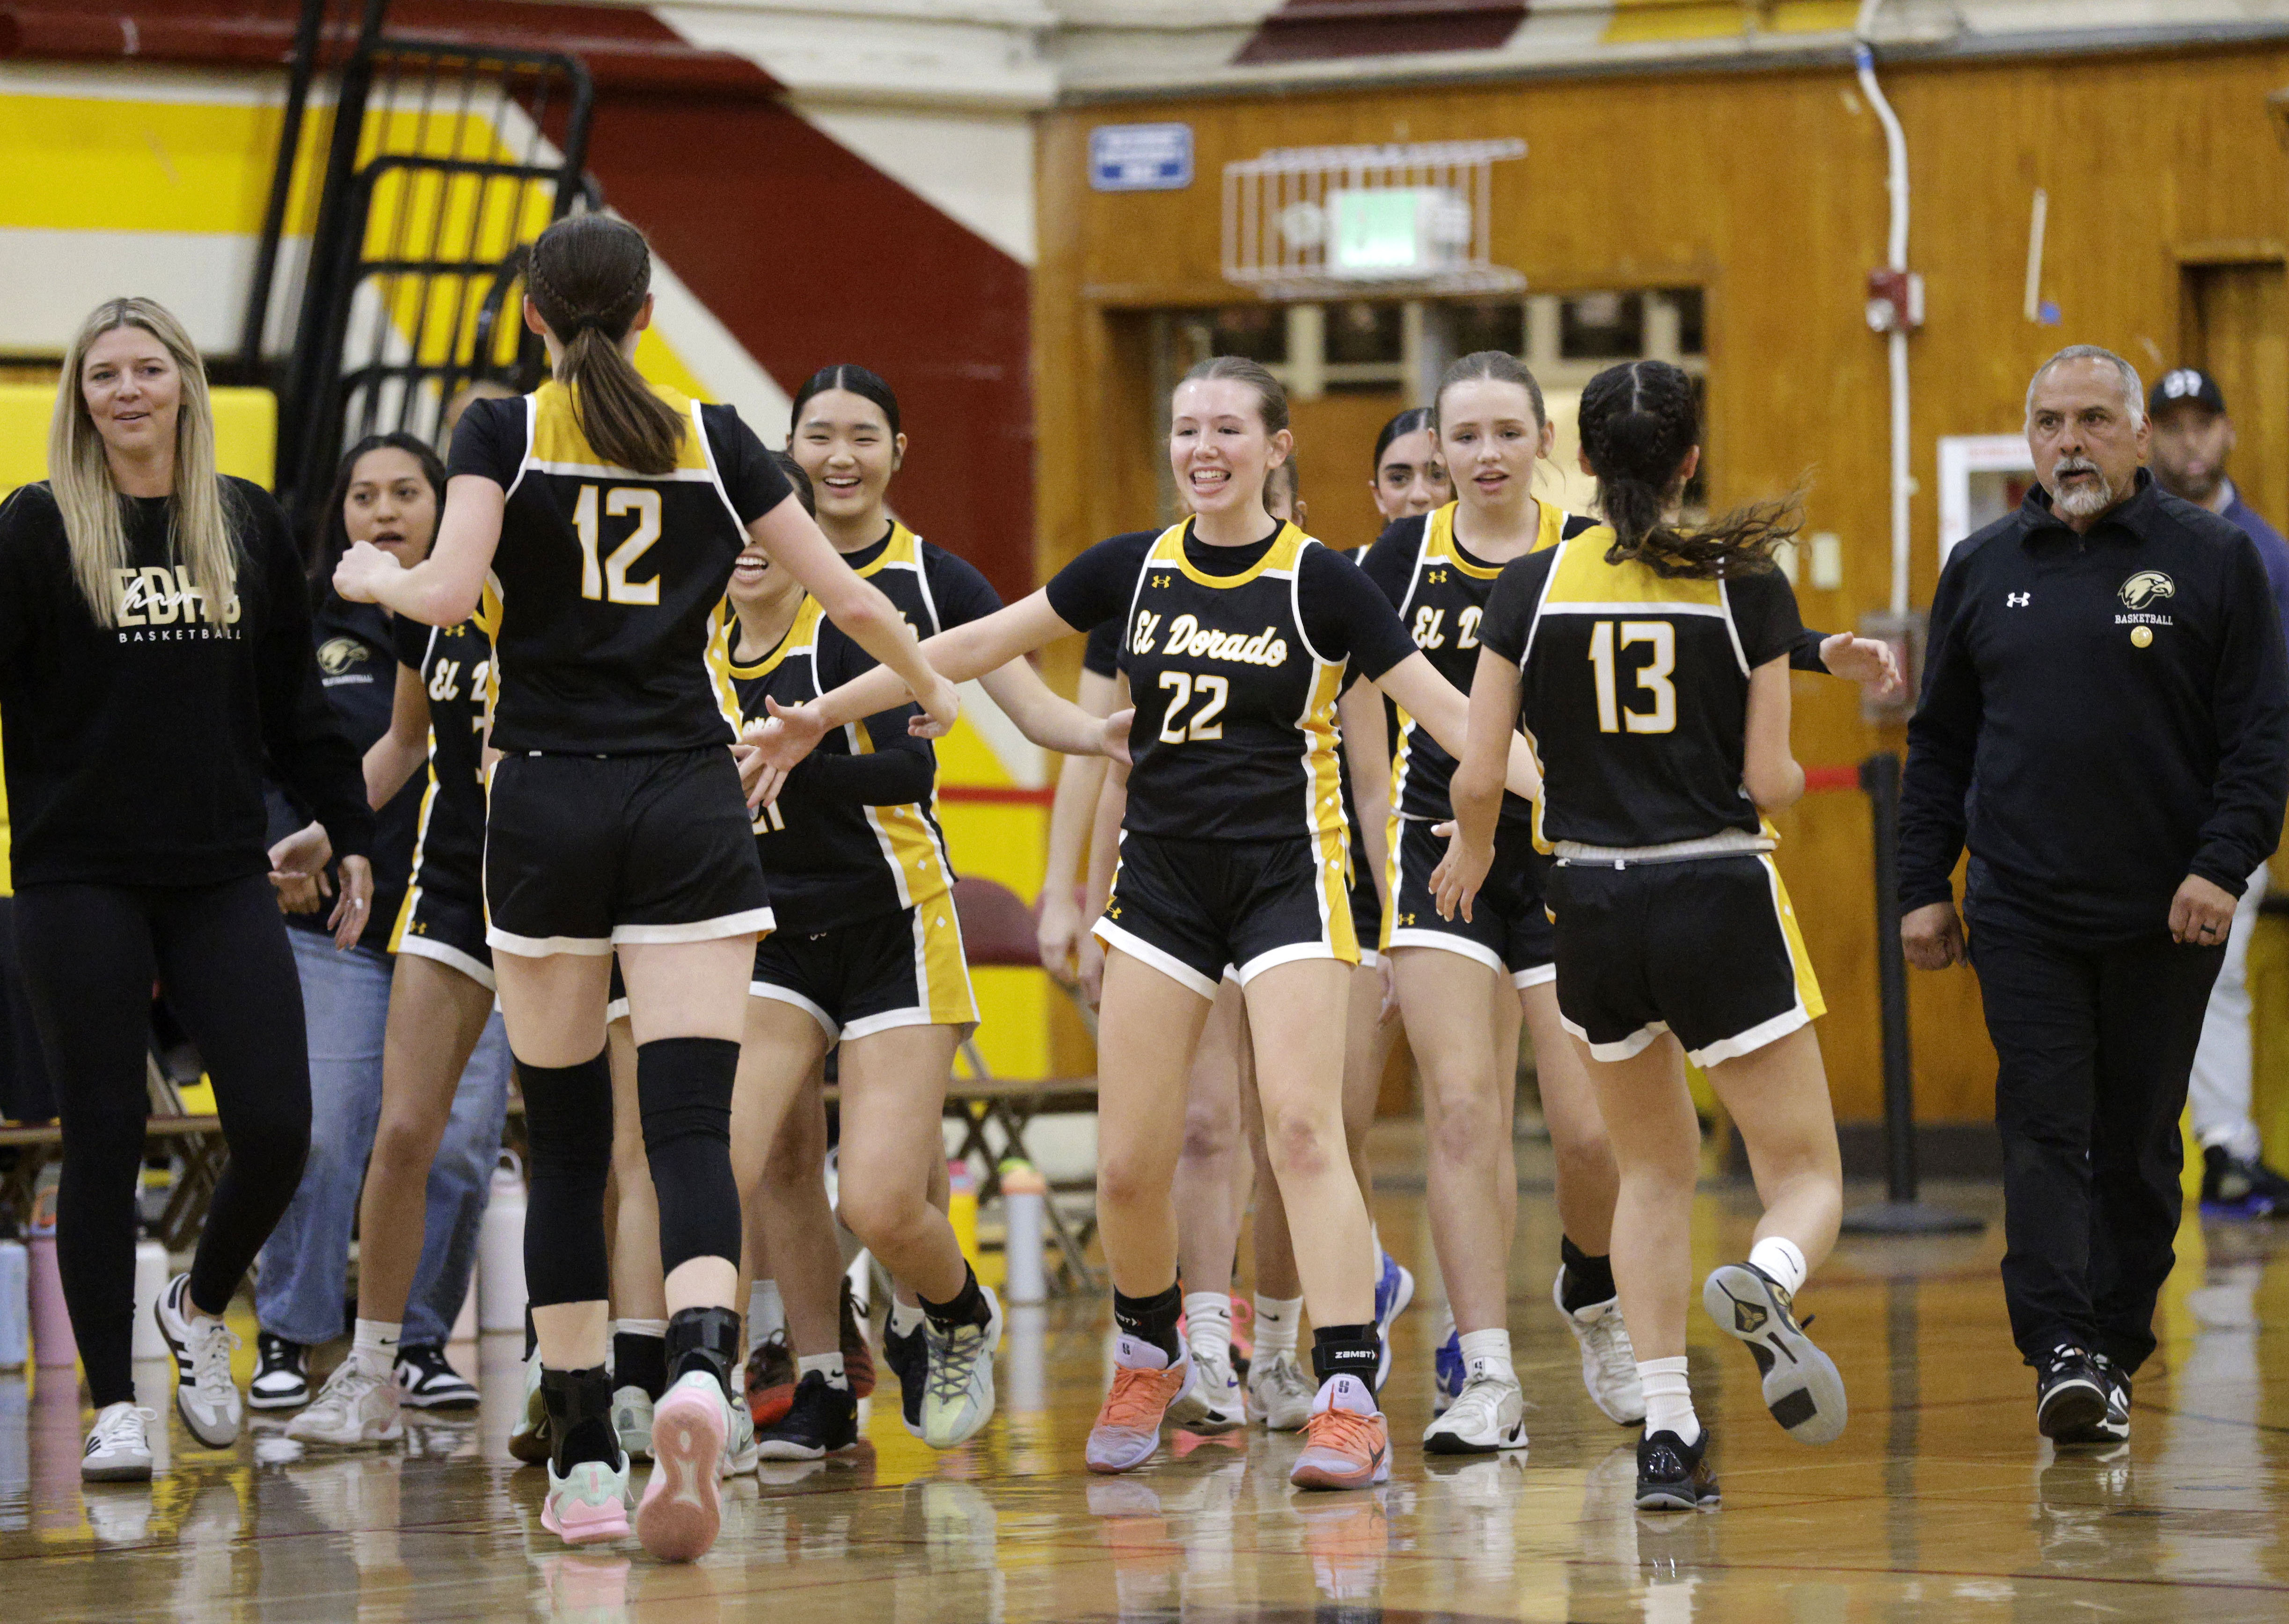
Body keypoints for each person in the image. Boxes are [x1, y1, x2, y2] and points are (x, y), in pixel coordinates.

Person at [745, 356, 1543, 1490]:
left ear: (1275, 448)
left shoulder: (1326, 582)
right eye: (1185, 429)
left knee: (1303, 1131)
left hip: (1289, 881)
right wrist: (817, 717)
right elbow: (966, 649)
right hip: (1161, 884)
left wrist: (1561, 786)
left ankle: (1346, 1386)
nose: (1202, 447)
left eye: (1228, 428)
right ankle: (1146, 1351)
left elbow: (1453, 714)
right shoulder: (1129, 569)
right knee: (1129, 1163)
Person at [333, 214, 953, 1560]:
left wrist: (370, 570)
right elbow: (848, 596)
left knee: (562, 1140)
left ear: (533, 314)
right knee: (685, 1124)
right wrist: (930, 681)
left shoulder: (504, 427)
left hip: (548, 797)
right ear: (652, 305)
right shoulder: (716, 430)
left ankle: (583, 1456)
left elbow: (443, 595)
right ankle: (698, 1361)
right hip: (689, 799)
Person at [1440, 355, 1850, 1513]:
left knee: (1653, 1171)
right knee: (1807, 1173)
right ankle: (1767, 1280)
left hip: (1593, 908)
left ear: (1579, 458)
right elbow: (1771, 779)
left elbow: (1479, 772)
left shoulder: (1527, 584)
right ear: (1689, 460)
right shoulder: (1748, 583)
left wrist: (1472, 854)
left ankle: (1665, 1429)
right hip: (1714, 891)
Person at [0, 297, 375, 1482]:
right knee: (102, 1130)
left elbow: (299, 715)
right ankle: (116, 1403)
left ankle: (201, 1309)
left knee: (278, 1122)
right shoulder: (34, 527)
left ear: (182, 386)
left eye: (145, 368)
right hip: (77, 877)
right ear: (81, 398)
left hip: (222, 873)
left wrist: (349, 832)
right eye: (102, 373)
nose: (125, 390)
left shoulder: (244, 523)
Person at [1900, 345, 2289, 1445]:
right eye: (2048, 423)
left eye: (2091, 421)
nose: (2068, 442)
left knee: (2135, 1142)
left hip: (2167, 911)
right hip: (2022, 911)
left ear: (2135, 436)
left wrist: (2220, 865)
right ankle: (2061, 1347)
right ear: (2028, 439)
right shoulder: (1980, 567)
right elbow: (1938, 748)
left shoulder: (2213, 561)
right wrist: (1922, 885)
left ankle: (2114, 1340)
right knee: (2040, 1124)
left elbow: (2259, 738)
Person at [1360, 355, 1634, 1453]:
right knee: (1463, 1112)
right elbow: (1361, 731)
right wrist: (1384, 890)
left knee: (1588, 1134)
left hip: (1566, 861)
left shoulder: (1588, 556)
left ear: (1542, 443)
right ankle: (1485, 1374)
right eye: (1460, 437)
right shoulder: (1397, 557)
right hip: (1440, 863)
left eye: (1503, 434)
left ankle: (1595, 1291)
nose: (1481, 456)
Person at [271, 434, 519, 1443]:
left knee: (470, 1143)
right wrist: (316, 839)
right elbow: (393, 747)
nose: (384, 509)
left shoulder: (506, 606)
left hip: (522, 912)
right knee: (355, 1131)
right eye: (363, 494)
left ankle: (434, 1345)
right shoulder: (318, 631)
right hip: (380, 917)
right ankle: (315, 1345)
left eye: (408, 491)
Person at [2146, 365, 2289, 1213]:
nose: (2189, 440)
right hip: (2137, 807)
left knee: (2220, 976)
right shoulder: (2130, 542)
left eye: (2205, 423)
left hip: (2225, 812)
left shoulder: (2265, 555)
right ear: (2149, 435)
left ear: (2229, 433)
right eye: (2173, 424)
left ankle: (2228, 1147)